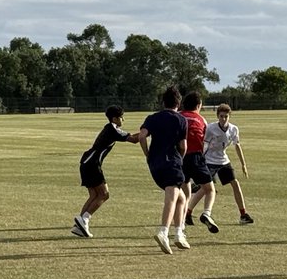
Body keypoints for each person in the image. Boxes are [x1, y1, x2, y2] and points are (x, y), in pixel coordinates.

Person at [71, 106, 140, 238]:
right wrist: (148, 130)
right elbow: (134, 139)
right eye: (121, 117)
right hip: (92, 164)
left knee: (94, 195)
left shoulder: (110, 128)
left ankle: (80, 226)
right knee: (104, 194)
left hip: (86, 162)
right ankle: (84, 219)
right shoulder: (112, 129)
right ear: (114, 118)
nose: (123, 119)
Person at [139, 86, 189, 253]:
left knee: (181, 198)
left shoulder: (152, 117)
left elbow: (141, 137)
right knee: (172, 197)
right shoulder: (181, 120)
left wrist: (148, 154)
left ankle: (179, 233)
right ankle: (164, 231)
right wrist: (180, 159)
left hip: (155, 165)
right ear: (178, 103)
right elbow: (183, 146)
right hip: (171, 162)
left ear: (163, 102)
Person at [203, 103, 254, 224]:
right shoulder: (210, 128)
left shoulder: (233, 129)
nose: (223, 119)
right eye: (221, 116)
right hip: (210, 161)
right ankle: (188, 213)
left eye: (226, 116)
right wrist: (200, 160)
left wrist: (243, 164)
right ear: (217, 116)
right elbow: (204, 145)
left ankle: (243, 215)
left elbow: (237, 145)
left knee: (235, 183)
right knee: (206, 189)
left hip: (223, 161)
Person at [181, 91, 219, 233]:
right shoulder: (201, 119)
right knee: (210, 189)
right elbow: (205, 141)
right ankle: (206, 213)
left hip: (180, 157)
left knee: (184, 194)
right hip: (196, 157)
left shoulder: (179, 116)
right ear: (198, 105)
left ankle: (181, 225)